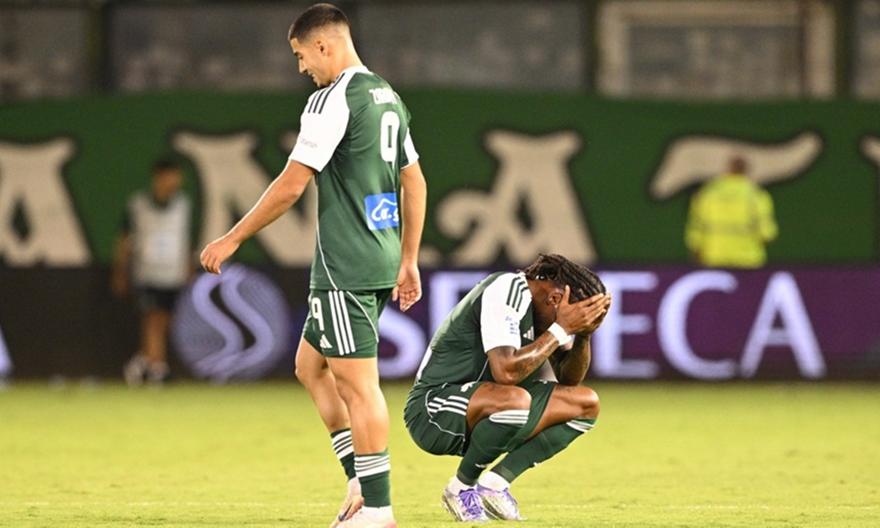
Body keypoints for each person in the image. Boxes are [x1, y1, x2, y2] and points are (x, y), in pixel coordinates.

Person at [199, 4, 427, 528]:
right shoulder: (387, 96)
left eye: (301, 56)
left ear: (323, 45)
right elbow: (414, 181)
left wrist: (233, 237)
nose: (302, 68)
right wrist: (409, 258)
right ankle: (359, 481)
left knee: (359, 386)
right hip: (378, 255)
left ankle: (378, 509)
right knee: (310, 366)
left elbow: (292, 183)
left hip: (346, 264)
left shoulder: (332, 98)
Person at [405, 254, 611, 522]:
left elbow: (569, 379)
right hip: (434, 410)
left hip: (495, 410)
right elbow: (506, 371)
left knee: (584, 403)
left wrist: (583, 334)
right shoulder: (507, 289)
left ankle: (494, 485)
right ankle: (460, 489)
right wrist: (562, 328)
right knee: (515, 400)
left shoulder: (545, 312)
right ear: (555, 298)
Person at [112, 159, 192, 385]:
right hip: (147, 272)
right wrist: (120, 270)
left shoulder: (183, 206)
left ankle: (141, 363)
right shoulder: (138, 205)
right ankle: (158, 368)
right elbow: (124, 240)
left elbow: (186, 239)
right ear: (158, 177)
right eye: (170, 175)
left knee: (164, 319)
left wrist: (188, 267)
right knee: (152, 318)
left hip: (172, 273)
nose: (174, 181)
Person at [685, 156, 778, 268]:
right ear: (746, 171)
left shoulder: (707, 195)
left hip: (714, 257)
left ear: (727, 170)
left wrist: (695, 252)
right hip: (748, 259)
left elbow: (695, 229)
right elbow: (767, 233)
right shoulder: (757, 196)